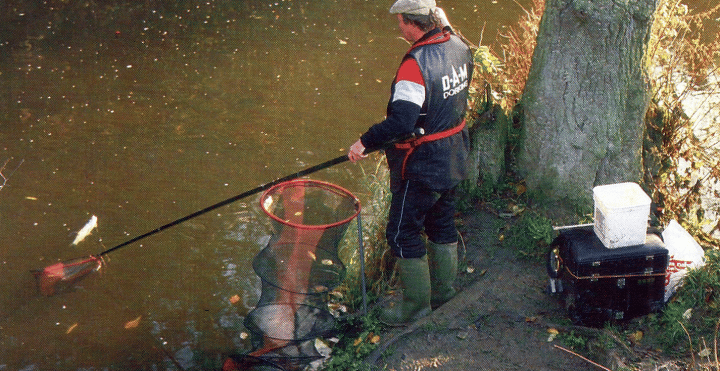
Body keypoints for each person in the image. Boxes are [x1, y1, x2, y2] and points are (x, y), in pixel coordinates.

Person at [348, 0, 473, 326]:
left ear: (409, 23)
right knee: (442, 225)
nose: (398, 28)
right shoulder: (458, 46)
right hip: (454, 153)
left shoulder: (414, 66)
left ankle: (416, 309)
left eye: (400, 21)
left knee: (403, 233)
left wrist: (365, 141)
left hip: (422, 165)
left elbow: (402, 122)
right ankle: (444, 295)